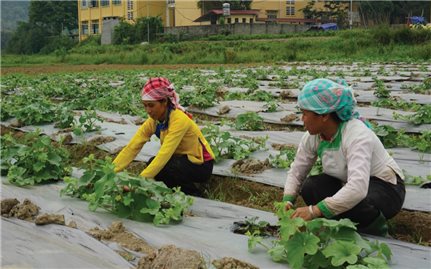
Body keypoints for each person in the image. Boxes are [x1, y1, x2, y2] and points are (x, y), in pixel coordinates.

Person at [283, 78, 405, 236]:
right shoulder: (313, 136)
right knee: (311, 187)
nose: (302, 119)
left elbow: (357, 189)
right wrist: (287, 199)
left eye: (305, 113)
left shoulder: (357, 134)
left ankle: (376, 230)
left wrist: (315, 211)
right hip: (349, 183)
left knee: (356, 201)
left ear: (324, 115)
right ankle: (341, 225)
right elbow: (298, 170)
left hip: (385, 188)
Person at [113, 77, 215, 196]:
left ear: (164, 102)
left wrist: (139, 182)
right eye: (145, 106)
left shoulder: (179, 120)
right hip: (181, 159)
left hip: (201, 165)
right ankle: (177, 191)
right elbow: (132, 147)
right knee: (152, 163)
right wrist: (110, 172)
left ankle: (195, 194)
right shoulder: (153, 121)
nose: (148, 110)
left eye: (151, 105)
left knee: (167, 167)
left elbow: (164, 154)